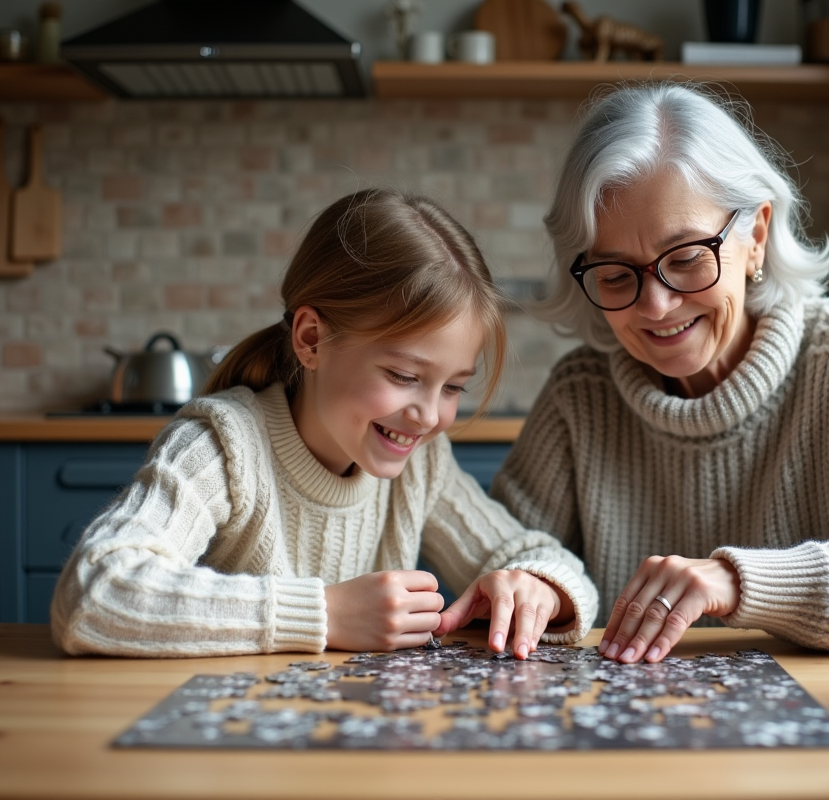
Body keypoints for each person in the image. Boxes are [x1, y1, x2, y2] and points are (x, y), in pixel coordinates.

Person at [446, 83, 829, 662]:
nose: (656, 306)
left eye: (687, 258)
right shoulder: (581, 395)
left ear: (757, 237)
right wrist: (538, 582)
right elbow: (518, 545)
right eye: (617, 275)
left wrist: (743, 582)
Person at [51, 189, 598, 659]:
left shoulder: (422, 465)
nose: (430, 416)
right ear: (311, 339)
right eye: (405, 375)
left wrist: (538, 587)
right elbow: (95, 592)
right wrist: (325, 616)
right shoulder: (222, 444)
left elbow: (543, 557)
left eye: (454, 386)